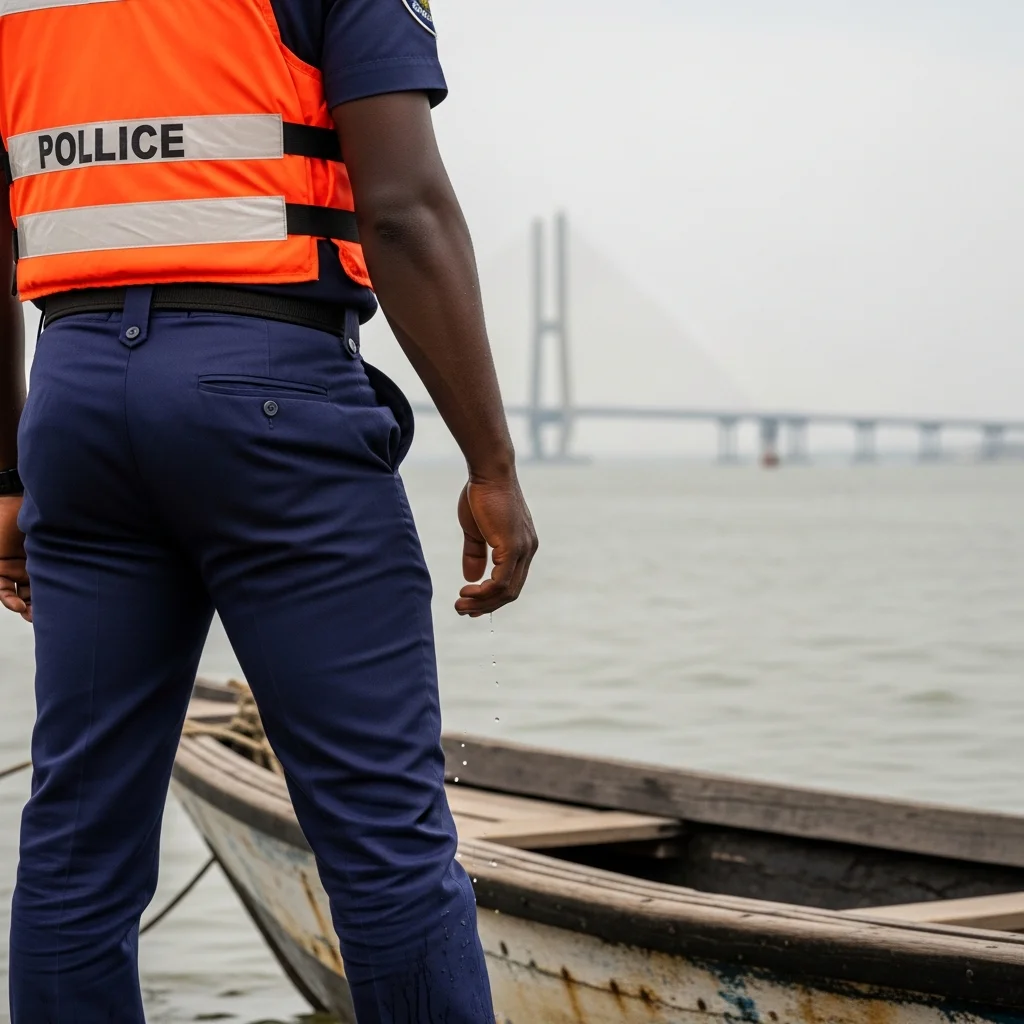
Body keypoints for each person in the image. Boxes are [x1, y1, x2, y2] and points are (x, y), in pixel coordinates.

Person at [0, 0, 538, 1019]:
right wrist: (491, 463)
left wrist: (5, 477)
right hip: (268, 399)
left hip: (72, 398)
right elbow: (402, 208)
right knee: (384, 836)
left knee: (76, 839)